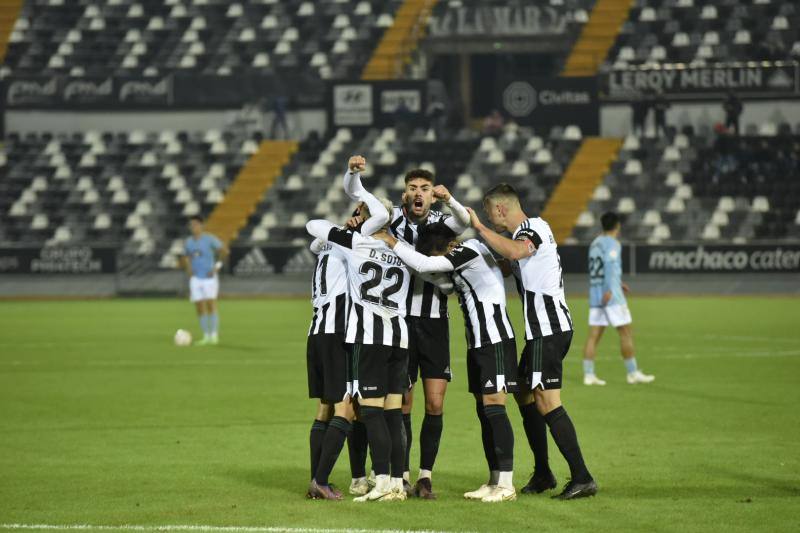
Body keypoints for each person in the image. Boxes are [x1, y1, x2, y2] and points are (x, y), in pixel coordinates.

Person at [344, 168, 470, 499]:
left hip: (434, 323)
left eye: (425, 188)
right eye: (412, 187)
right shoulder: (390, 222)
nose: (418, 193)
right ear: (405, 194)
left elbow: (464, 220)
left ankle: (425, 475)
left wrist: (450, 199)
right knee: (401, 403)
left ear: (432, 194)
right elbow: (362, 222)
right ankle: (398, 473)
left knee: (434, 401)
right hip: (399, 322)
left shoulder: (440, 224)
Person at [468, 183, 598, 500]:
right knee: (524, 393)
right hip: (541, 330)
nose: (489, 217)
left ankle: (582, 477)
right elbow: (508, 263)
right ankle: (543, 473)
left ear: (500, 209)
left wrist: (479, 229)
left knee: (546, 401)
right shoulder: (520, 237)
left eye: (489, 212)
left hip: (549, 329)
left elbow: (515, 252)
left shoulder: (533, 227)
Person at [374, 222, 518, 503]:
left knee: (495, 407)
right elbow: (438, 279)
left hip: (494, 337)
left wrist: (393, 243)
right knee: (485, 410)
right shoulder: (458, 271)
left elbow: (431, 261)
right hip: (477, 342)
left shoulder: (471, 248)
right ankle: (493, 481)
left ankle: (506, 483)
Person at [307, 166, 410, 503]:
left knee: (326, 409)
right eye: (357, 212)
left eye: (361, 214)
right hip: (342, 332)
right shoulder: (358, 240)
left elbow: (314, 230)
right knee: (350, 408)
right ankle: (326, 480)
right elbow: (378, 214)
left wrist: (350, 215)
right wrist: (361, 210)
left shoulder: (324, 244)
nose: (358, 216)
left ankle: (325, 478)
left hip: (317, 330)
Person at [583, 212, 655, 386]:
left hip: (596, 294)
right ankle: (632, 373)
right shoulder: (613, 244)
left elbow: (599, 269)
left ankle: (588, 374)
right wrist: (611, 288)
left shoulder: (595, 243)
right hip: (611, 297)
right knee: (626, 333)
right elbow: (608, 265)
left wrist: (617, 282)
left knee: (594, 336)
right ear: (617, 226)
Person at [180, 216, 227, 346]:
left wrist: (217, 267)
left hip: (209, 278)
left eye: (195, 225)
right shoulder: (189, 242)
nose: (193, 227)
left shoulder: (209, 239)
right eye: (191, 225)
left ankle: (214, 335)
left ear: (201, 226)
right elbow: (185, 256)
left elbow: (224, 251)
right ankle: (206, 336)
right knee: (199, 307)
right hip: (196, 279)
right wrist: (189, 269)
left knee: (211, 305)